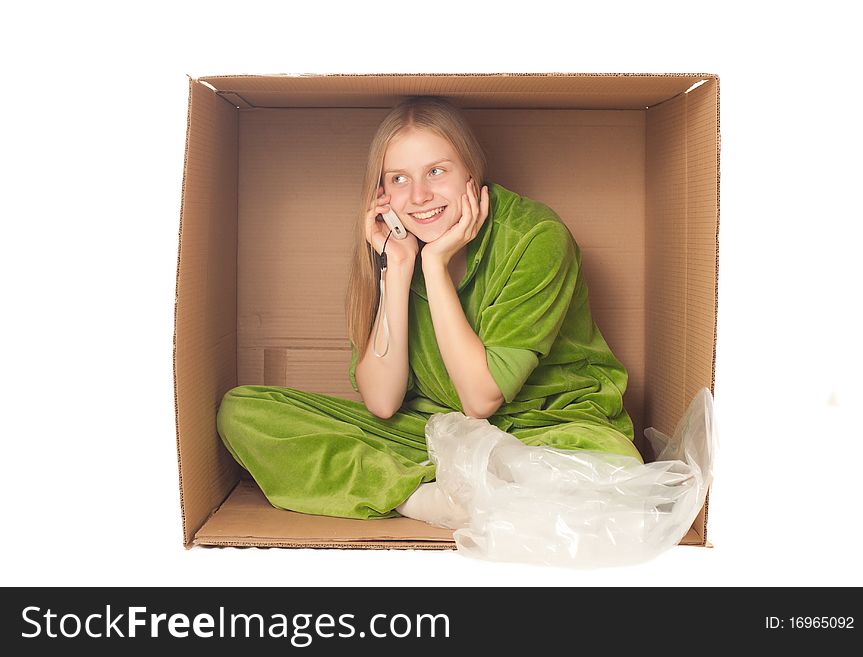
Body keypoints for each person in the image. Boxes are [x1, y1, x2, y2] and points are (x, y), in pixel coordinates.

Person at [216, 96, 643, 527]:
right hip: (434, 433)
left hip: (547, 428)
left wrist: (435, 265)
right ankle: (422, 496)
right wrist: (398, 270)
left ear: (471, 172)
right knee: (245, 413)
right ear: (381, 193)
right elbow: (382, 403)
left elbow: (481, 398)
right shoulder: (392, 252)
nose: (419, 196)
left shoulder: (536, 238)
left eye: (436, 171)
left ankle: (435, 489)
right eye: (399, 179)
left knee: (615, 467)